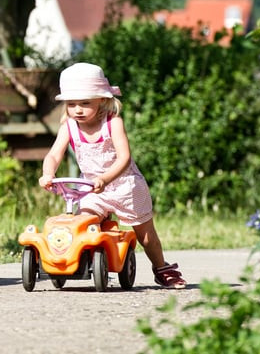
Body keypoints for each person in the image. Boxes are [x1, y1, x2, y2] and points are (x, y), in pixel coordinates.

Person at [38, 62, 187, 289]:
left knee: (146, 236)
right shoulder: (69, 126)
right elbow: (54, 154)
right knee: (83, 222)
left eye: (85, 103)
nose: (78, 109)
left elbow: (124, 157)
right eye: (71, 104)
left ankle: (162, 268)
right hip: (91, 189)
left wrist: (105, 179)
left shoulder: (112, 123)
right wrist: (48, 173)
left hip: (125, 187)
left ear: (103, 100)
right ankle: (85, 262)